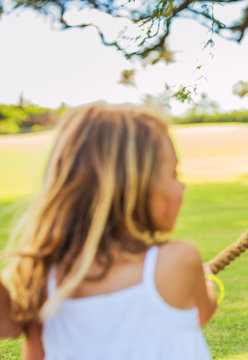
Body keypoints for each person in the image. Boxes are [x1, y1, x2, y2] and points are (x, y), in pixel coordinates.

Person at [1, 103, 218, 359]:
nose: (182, 187)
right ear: (138, 187)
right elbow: (203, 311)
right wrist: (206, 280)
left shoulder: (41, 282)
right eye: (174, 174)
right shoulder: (179, 260)